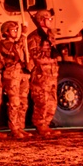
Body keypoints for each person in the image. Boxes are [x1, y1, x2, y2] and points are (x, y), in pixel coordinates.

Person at [27, 9, 60, 138]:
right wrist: (49, 59)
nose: (51, 21)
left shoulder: (50, 35)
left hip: (52, 73)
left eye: (51, 19)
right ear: (41, 21)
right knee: (42, 100)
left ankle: (47, 124)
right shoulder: (34, 37)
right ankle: (40, 125)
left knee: (52, 100)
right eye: (48, 19)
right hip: (41, 74)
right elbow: (35, 56)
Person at [0, 21, 31, 140]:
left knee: (23, 102)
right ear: (6, 32)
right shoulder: (4, 43)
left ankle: (20, 126)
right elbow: (15, 48)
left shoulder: (19, 42)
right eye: (13, 30)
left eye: (17, 30)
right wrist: (24, 35)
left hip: (21, 73)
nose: (16, 32)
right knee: (14, 102)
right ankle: (14, 127)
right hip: (11, 74)